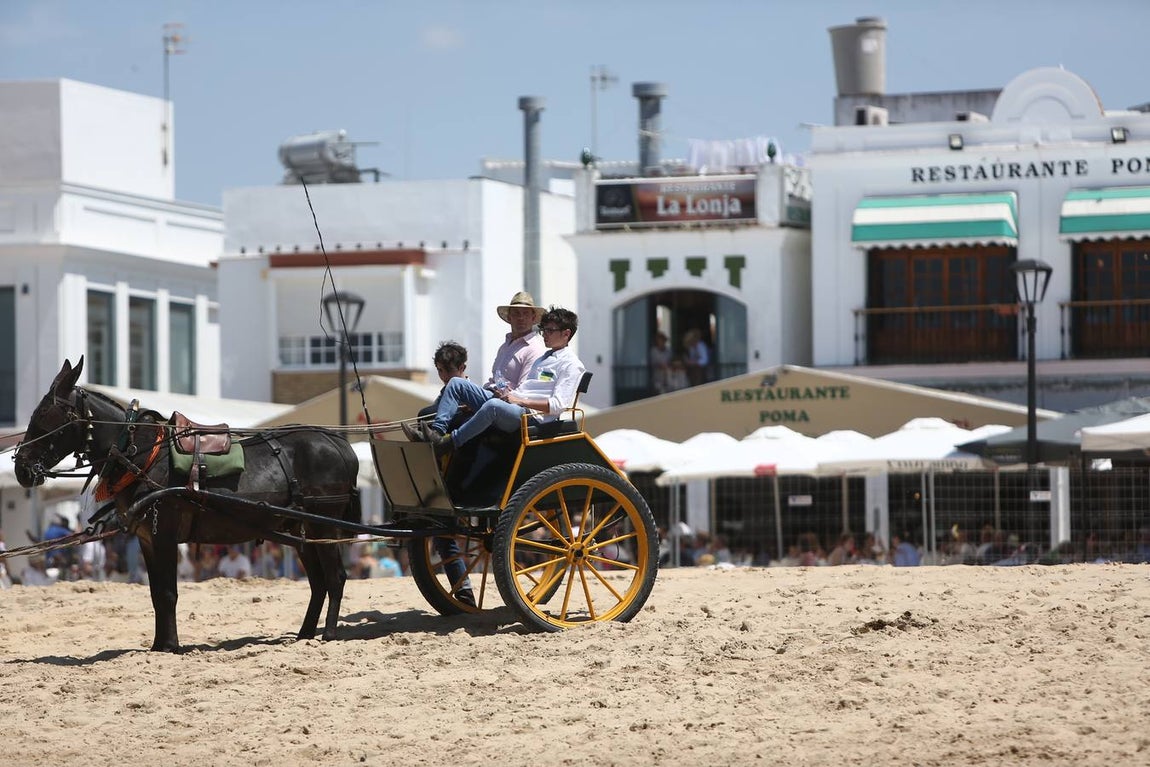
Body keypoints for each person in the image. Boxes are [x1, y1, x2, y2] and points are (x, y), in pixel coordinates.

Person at [430, 307, 585, 451]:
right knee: (457, 383)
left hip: (531, 417)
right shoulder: (544, 358)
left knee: (493, 406)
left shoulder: (571, 364)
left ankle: (450, 443)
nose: (544, 334)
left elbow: (558, 405)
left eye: (550, 331)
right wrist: (511, 394)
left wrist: (519, 400)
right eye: (543, 330)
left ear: (566, 334)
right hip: (515, 404)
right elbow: (527, 389)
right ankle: (436, 433)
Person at [405, 291, 546, 441]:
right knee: (451, 389)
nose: (521, 318)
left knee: (456, 389)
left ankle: (442, 437)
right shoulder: (505, 346)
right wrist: (475, 397)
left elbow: (524, 392)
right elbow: (494, 380)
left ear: (533, 318)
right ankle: (436, 434)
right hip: (494, 396)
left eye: (525, 313)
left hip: (513, 407)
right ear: (509, 318)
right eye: (516, 313)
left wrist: (503, 395)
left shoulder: (534, 349)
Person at [649, 331, 672, 395]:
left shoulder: (668, 351)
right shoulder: (653, 351)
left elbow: (670, 362)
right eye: (660, 340)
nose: (662, 342)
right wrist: (661, 365)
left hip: (667, 377)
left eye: (663, 340)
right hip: (657, 377)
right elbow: (653, 363)